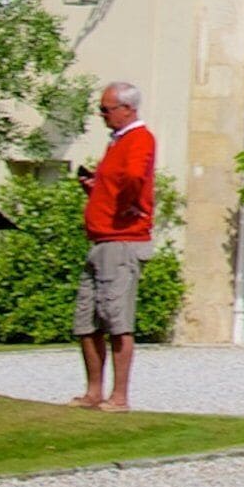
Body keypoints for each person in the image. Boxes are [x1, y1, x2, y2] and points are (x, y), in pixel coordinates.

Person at [70, 81, 158, 410]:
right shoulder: (117, 142)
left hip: (121, 241)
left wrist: (128, 206)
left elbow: (135, 177)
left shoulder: (138, 138)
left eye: (106, 109)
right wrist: (97, 188)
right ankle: (94, 392)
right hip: (101, 238)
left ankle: (119, 396)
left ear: (127, 109)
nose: (102, 115)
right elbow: (120, 182)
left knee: (117, 319)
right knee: (87, 320)